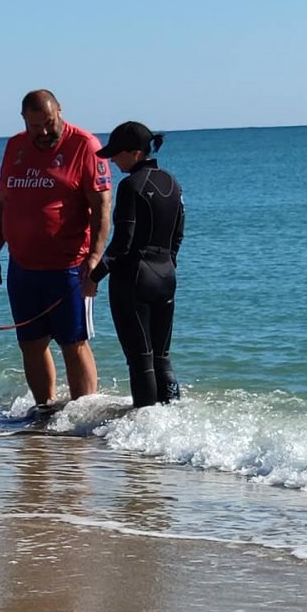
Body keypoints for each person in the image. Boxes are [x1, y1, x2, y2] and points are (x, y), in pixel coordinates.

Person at [0, 89, 112, 407]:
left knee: (74, 343)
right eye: (34, 125)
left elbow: (103, 207)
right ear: (23, 120)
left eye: (48, 123)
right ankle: (45, 412)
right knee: (31, 343)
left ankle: (82, 417)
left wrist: (95, 258)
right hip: (22, 267)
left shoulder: (85, 146)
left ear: (60, 112)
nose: (42, 132)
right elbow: (3, 204)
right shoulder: (15, 146)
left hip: (69, 267)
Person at [87, 121, 185, 408]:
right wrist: (167, 266)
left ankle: (143, 431)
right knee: (161, 355)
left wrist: (95, 275)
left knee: (140, 359)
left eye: (117, 154)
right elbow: (178, 235)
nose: (113, 160)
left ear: (136, 153)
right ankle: (169, 422)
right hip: (166, 276)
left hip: (134, 281)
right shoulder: (172, 182)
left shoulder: (131, 186)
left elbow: (122, 243)